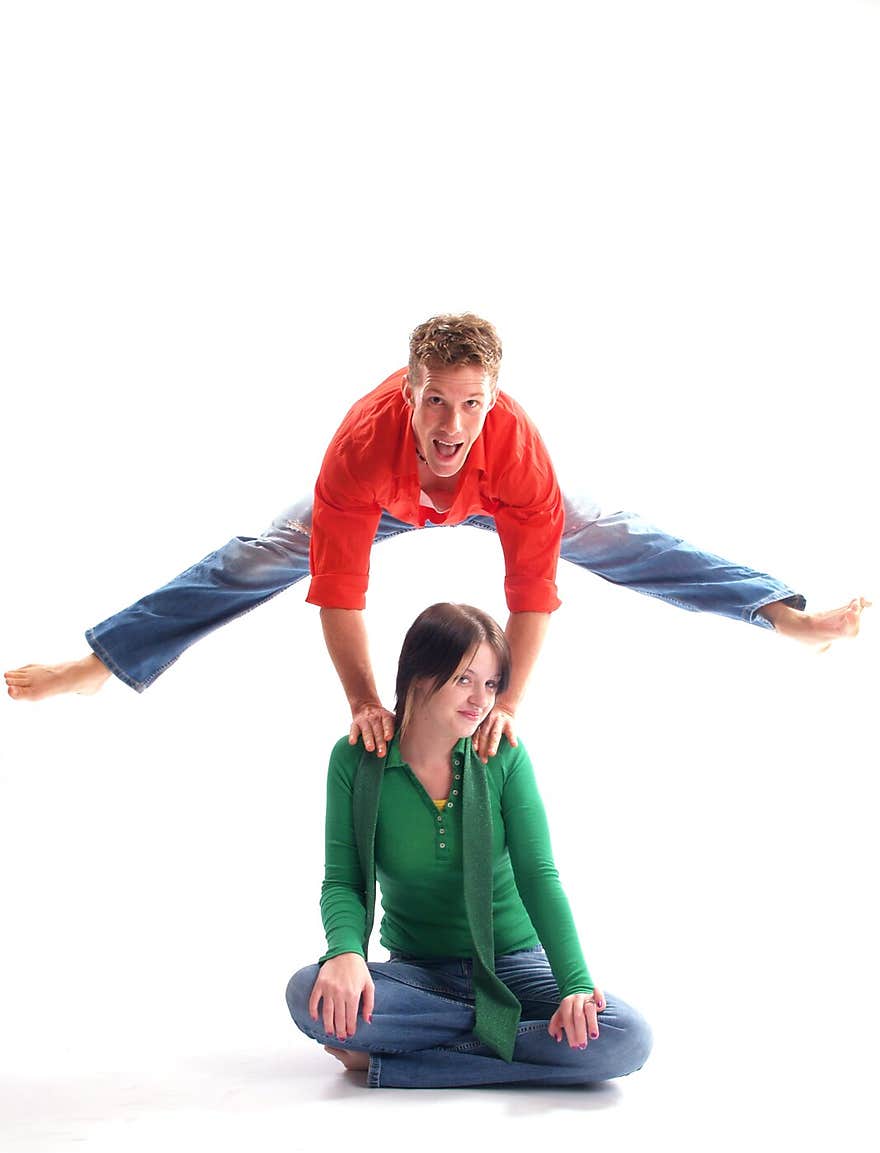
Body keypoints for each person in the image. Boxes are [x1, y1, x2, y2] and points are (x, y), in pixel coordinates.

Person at [5, 315, 868, 763]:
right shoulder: (357, 451)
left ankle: (779, 614)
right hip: (385, 499)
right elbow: (339, 597)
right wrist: (360, 702)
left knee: (616, 534)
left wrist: (513, 706)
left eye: (471, 404)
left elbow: (532, 598)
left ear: (490, 402)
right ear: (409, 393)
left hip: (498, 499)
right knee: (257, 554)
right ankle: (105, 663)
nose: (452, 424)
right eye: (435, 401)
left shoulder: (516, 453)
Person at [285, 602, 652, 1088]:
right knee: (309, 992)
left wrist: (576, 985)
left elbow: (539, 878)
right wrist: (346, 953)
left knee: (625, 1036)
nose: (481, 699)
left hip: (515, 966)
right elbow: (344, 880)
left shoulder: (501, 756)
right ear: (419, 674)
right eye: (464, 679)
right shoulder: (358, 758)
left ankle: (396, 1063)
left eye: (492, 683)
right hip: (421, 975)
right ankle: (511, 1037)